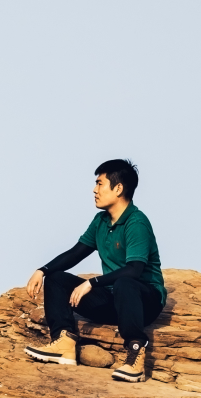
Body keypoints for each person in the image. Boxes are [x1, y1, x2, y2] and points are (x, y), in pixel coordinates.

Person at [23, 159, 166, 383]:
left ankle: (136, 356)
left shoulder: (136, 222)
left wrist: (92, 282)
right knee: (57, 279)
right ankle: (64, 343)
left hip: (144, 301)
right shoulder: (101, 221)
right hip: (114, 301)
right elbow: (75, 253)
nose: (94, 190)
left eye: (100, 184)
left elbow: (135, 270)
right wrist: (42, 270)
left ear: (118, 188)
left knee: (125, 284)